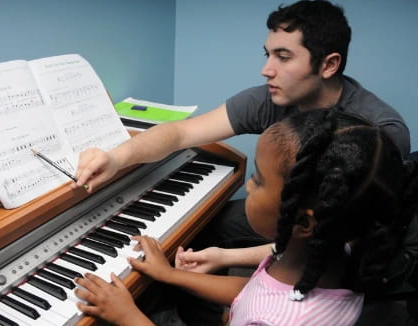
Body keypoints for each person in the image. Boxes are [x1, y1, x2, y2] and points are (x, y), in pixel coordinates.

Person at [72, 1, 411, 324]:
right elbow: (179, 133)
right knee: (210, 223)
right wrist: (116, 157)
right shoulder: (273, 96)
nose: (267, 70)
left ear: (328, 64)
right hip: (303, 222)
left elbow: (341, 238)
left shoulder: (378, 136)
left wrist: (228, 257)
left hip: (351, 241)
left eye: (283, 56)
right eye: (268, 54)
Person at [73, 110, 418, 326]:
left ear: (304, 224)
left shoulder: (275, 320)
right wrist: (170, 276)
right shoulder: (331, 255)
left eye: (259, 180)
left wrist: (129, 317)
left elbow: (261, 306)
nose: (249, 188)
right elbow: (252, 290)